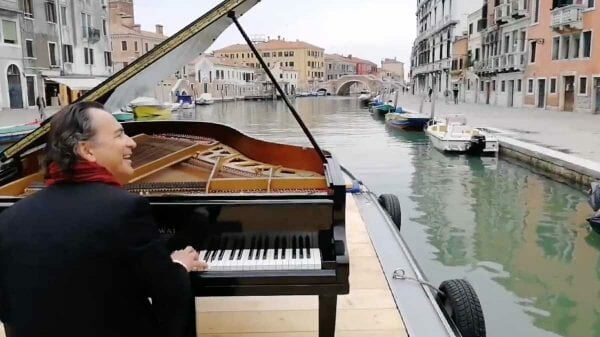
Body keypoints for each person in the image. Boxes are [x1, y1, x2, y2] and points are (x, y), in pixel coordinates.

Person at [0, 101, 207, 337]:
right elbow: (166, 290)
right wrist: (179, 265)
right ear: (87, 151)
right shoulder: (124, 209)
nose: (132, 142)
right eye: (120, 135)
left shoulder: (10, 218)